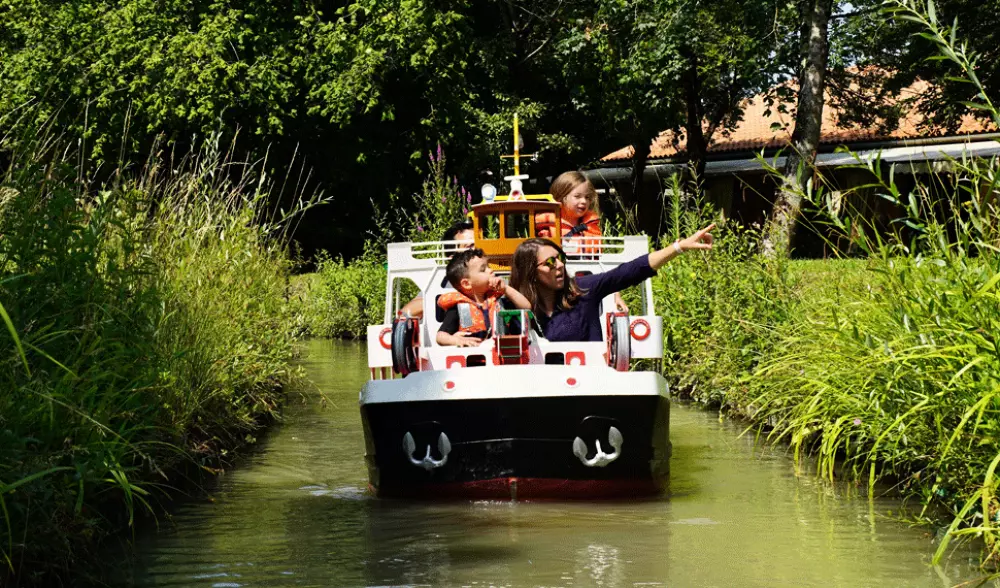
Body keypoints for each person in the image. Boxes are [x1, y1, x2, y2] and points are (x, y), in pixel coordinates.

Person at [509, 224, 715, 342]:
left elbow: (630, 270)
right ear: (531, 273)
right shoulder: (514, 310)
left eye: (560, 258)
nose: (560, 265)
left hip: (592, 386)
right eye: (550, 262)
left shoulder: (583, 290)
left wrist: (679, 247)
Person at [535, 171, 627, 312]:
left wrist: (615, 295)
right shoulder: (548, 229)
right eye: (577, 196)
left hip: (589, 290)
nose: (584, 201)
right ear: (561, 197)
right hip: (559, 293)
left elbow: (602, 266)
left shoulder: (592, 227)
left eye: (587, 197)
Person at [436, 248, 532, 347]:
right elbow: (440, 336)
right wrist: (456, 340)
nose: (490, 270)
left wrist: (506, 289)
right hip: (475, 354)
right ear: (466, 284)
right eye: (483, 269)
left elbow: (526, 307)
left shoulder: (498, 301)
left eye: (488, 266)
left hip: (502, 352)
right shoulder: (460, 308)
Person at [398, 220, 475, 320]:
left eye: (479, 243)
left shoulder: (492, 275)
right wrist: (447, 299)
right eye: (470, 246)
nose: (477, 249)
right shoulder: (441, 282)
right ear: (452, 258)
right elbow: (403, 314)